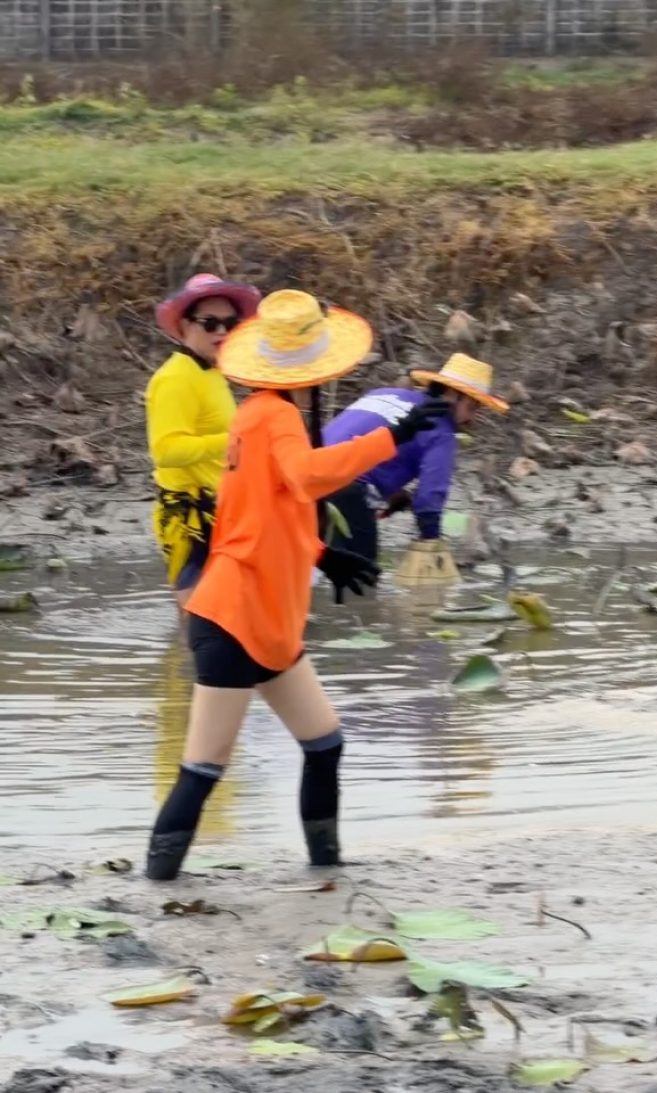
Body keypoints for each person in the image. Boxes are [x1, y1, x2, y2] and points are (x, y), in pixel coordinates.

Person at [145, 290, 449, 881]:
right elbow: (307, 475)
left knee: (325, 743)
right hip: (235, 618)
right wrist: (393, 436)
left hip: (269, 620)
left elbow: (252, 513)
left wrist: (320, 553)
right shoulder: (273, 415)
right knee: (204, 768)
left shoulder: (261, 417)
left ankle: (327, 872)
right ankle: (155, 886)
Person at [322, 353, 509, 562]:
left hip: (304, 477)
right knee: (360, 580)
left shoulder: (382, 394)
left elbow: (350, 440)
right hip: (347, 490)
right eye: (472, 407)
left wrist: (395, 494)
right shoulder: (440, 429)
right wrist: (432, 550)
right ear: (451, 395)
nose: (471, 419)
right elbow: (429, 501)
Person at [145, 273, 261, 609]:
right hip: (188, 521)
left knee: (228, 621)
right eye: (210, 324)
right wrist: (234, 440)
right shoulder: (175, 378)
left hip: (222, 512)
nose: (222, 332)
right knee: (197, 624)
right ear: (184, 326)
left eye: (230, 322)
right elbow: (166, 451)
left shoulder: (212, 373)